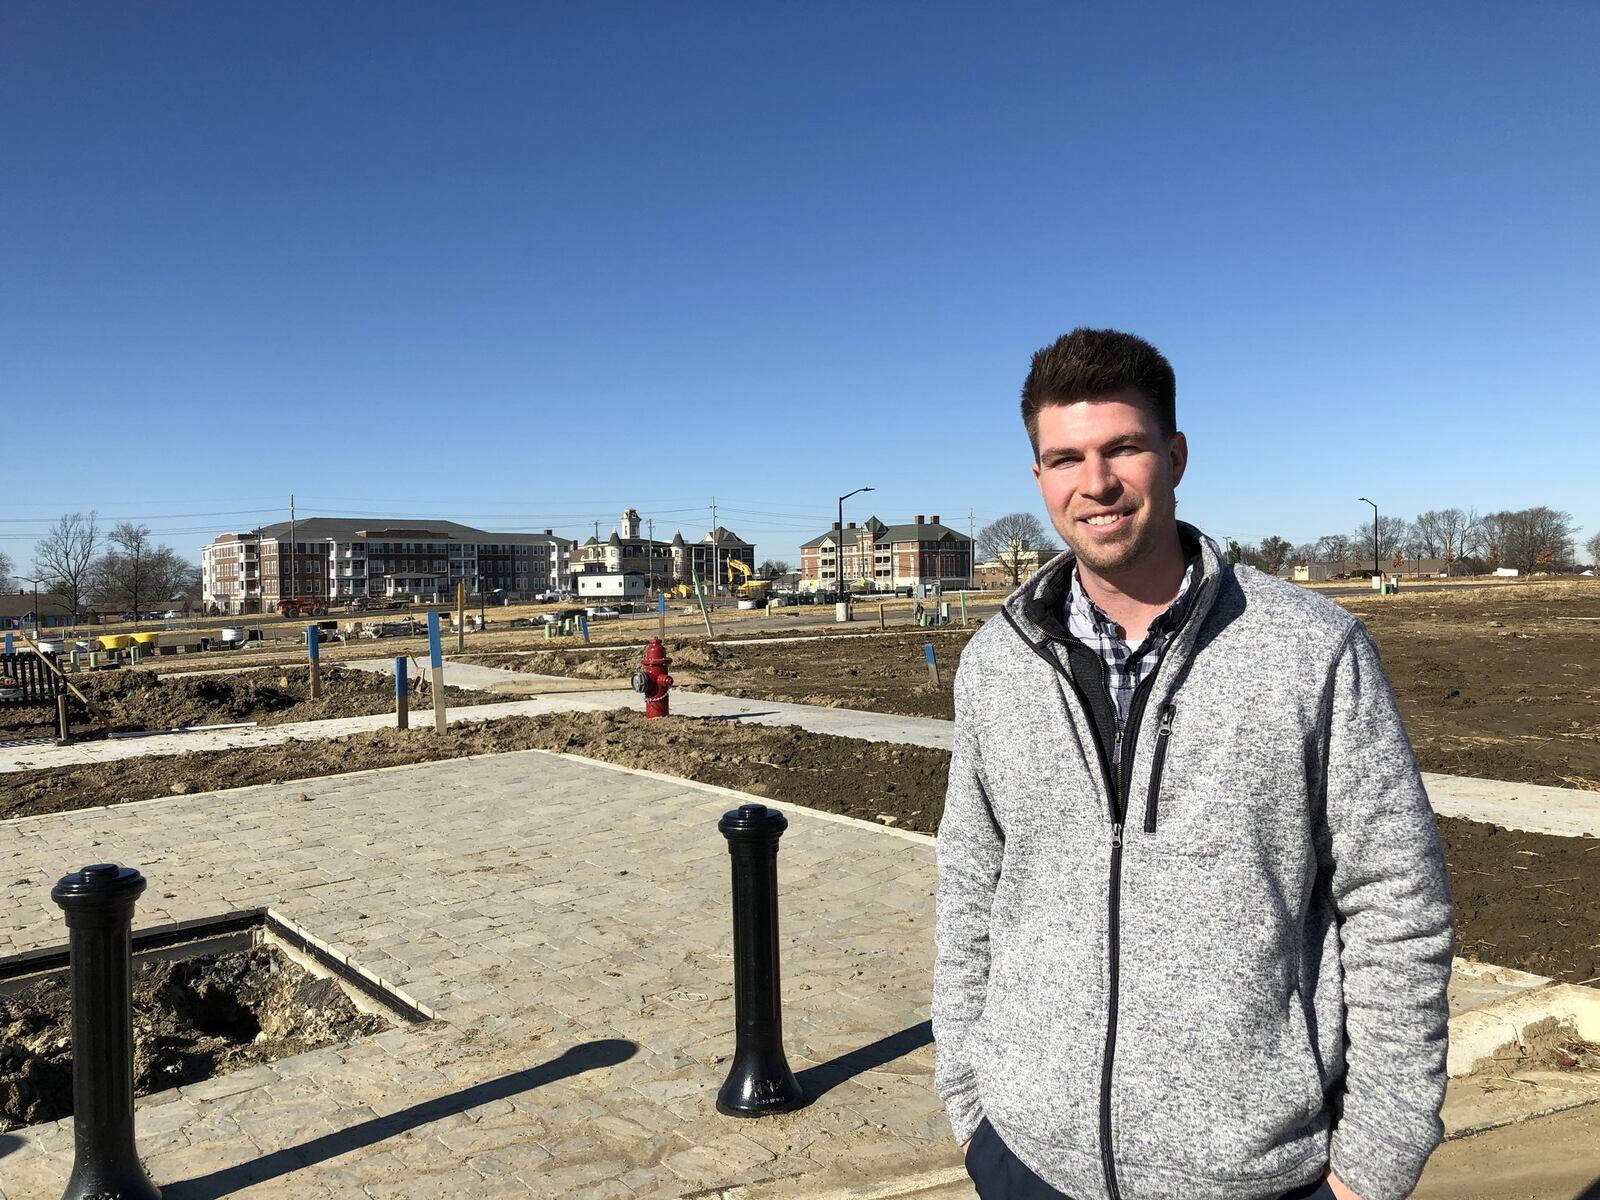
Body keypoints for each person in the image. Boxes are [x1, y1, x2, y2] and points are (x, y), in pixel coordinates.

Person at [933, 328, 1452, 1200]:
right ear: (1039, 480)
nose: (1094, 483)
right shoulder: (997, 661)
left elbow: (1398, 903)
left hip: (1257, 1174)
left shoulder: (1311, 650)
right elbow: (971, 886)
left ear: (1174, 456)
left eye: (1122, 448)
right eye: (1064, 458)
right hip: (1027, 1161)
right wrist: (972, 1109)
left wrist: (1373, 1161)